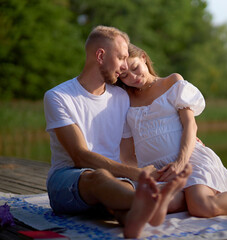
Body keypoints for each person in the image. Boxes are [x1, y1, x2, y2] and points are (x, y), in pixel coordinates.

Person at [43, 25, 192, 239]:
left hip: (114, 183)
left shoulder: (120, 98)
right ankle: (156, 201)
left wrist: (185, 136)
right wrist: (139, 174)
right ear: (101, 55)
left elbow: (144, 131)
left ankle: (137, 219)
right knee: (101, 177)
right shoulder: (58, 96)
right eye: (121, 58)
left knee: (122, 199)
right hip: (68, 182)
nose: (124, 67)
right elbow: (79, 156)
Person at [117, 44, 227, 218]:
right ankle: (192, 195)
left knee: (202, 207)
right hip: (159, 174)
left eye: (135, 67)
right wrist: (143, 174)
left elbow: (190, 124)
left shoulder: (172, 82)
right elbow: (126, 154)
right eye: (125, 75)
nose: (133, 76)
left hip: (189, 160)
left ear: (144, 59)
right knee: (149, 207)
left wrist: (180, 162)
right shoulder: (123, 100)